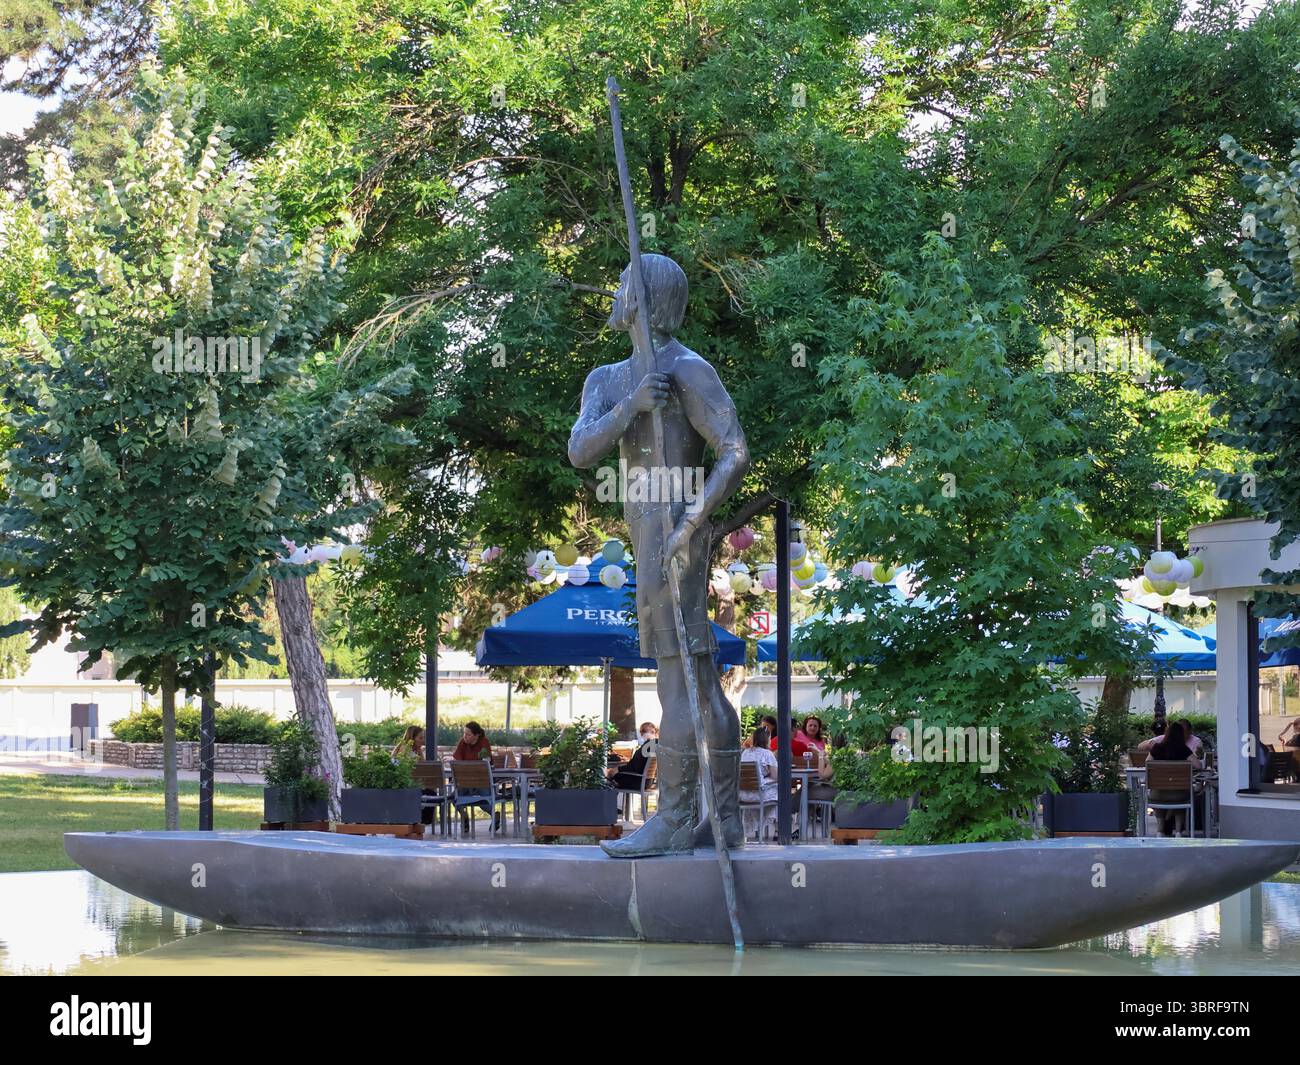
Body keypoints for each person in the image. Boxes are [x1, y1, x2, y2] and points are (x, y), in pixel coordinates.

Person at [570, 253, 750, 857]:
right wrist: (632, 407)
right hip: (646, 533)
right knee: (696, 679)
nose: (616, 293)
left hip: (676, 535)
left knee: (681, 680)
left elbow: (733, 449)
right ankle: (722, 822)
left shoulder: (689, 370)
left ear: (646, 299)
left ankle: (677, 818)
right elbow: (580, 451)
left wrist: (693, 519)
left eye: (624, 284)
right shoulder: (609, 378)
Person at [1147, 720, 1202, 836]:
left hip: (1158, 794)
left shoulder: (1157, 748)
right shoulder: (1184, 749)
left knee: (1161, 793)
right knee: (1181, 793)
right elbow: (1198, 766)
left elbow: (1147, 764)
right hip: (1179, 794)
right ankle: (1178, 832)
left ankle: (1160, 831)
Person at [451, 722, 496, 832]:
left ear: (477, 735)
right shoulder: (463, 742)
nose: (465, 737)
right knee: (454, 798)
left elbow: (486, 762)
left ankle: (495, 816)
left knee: (484, 800)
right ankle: (464, 816)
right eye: (464, 734)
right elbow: (457, 762)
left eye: (468, 734)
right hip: (466, 781)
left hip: (482, 780)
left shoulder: (483, 742)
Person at [739, 726, 779, 840]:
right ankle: (778, 830)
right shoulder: (767, 754)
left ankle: (758, 831)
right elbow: (775, 776)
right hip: (758, 795)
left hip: (743, 795)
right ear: (767, 739)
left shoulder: (745, 753)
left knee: (772, 787)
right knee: (781, 789)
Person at [607, 722, 659, 789]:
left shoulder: (649, 745)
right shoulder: (656, 746)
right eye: (641, 731)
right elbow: (641, 763)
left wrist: (618, 769)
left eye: (644, 731)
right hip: (649, 782)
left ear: (653, 731)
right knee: (613, 775)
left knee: (611, 776)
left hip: (638, 781)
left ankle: (605, 797)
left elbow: (634, 767)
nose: (641, 733)